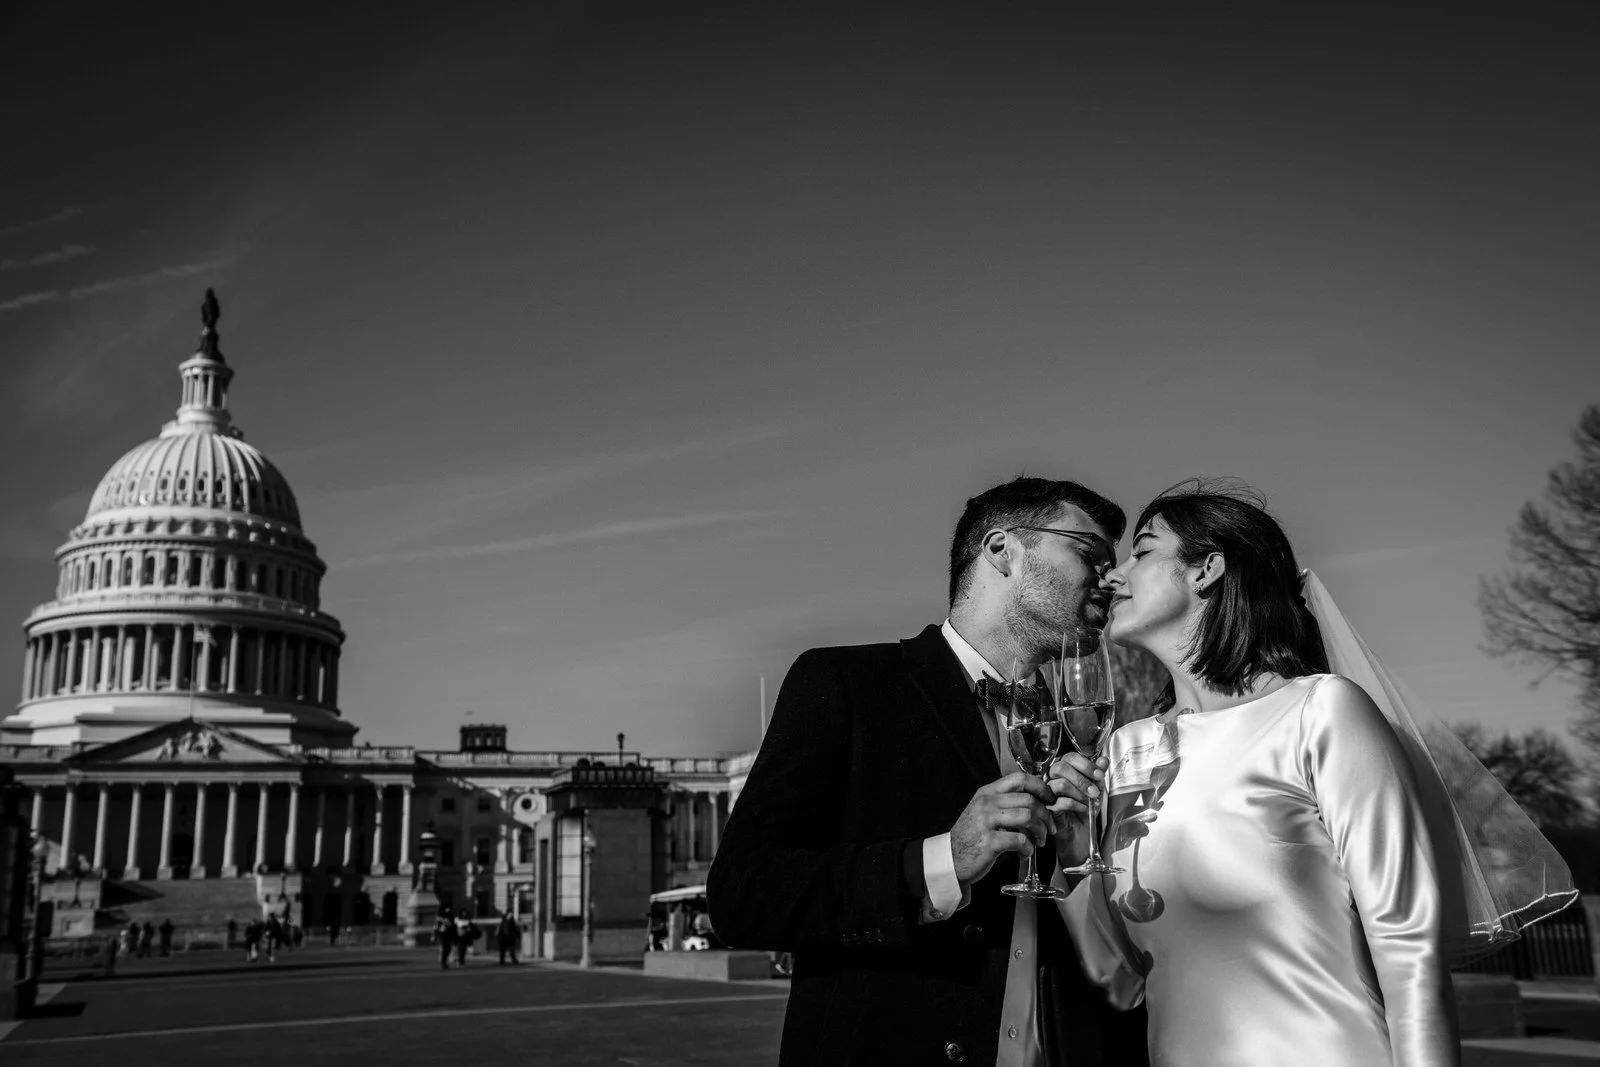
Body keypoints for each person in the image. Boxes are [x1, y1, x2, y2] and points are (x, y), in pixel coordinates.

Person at [1054, 484, 1574, 1066]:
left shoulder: (1319, 713)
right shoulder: (1127, 749)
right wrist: (1073, 847)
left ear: (1207, 569)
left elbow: (1408, 949)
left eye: (1143, 551)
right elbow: (1122, 981)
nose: (1114, 576)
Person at [709, 476, 1144, 1067]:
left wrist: (1076, 863)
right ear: (1001, 550)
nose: (1110, 579)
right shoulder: (847, 685)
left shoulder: (1079, 736)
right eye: (1090, 553)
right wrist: (940, 860)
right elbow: (742, 896)